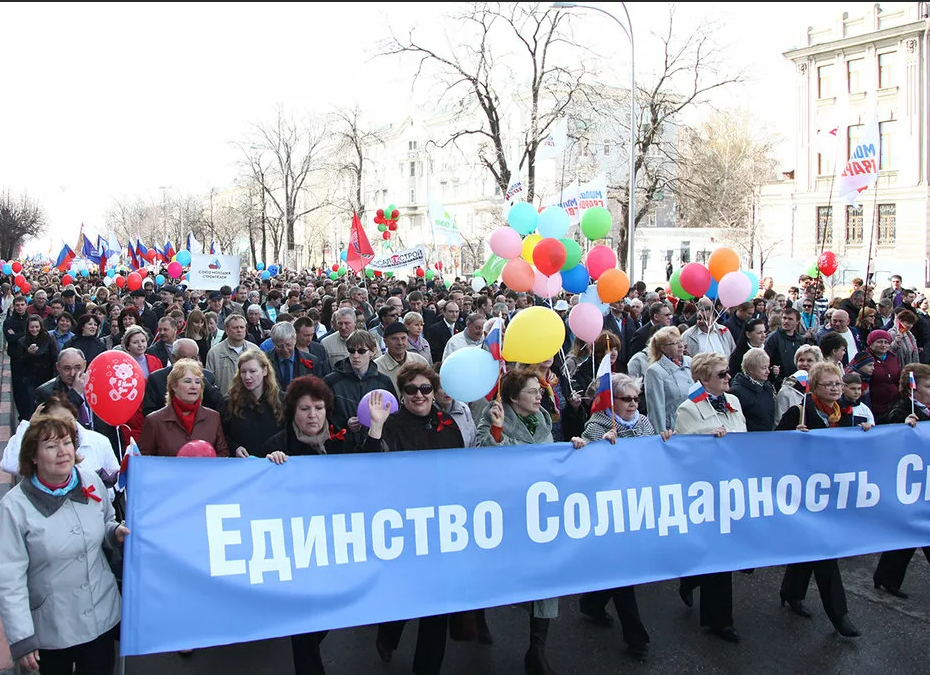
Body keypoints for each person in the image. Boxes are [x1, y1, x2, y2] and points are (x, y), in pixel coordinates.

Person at [476, 366, 585, 675]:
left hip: (537, 511)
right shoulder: (493, 414)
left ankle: (536, 650)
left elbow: (547, 458)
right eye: (533, 391)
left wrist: (570, 449)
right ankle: (478, 613)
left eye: (540, 390)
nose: (541, 395)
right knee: (490, 571)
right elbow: (485, 454)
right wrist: (498, 433)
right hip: (502, 510)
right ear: (513, 396)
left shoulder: (539, 418)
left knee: (546, 576)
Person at [0, 414, 129, 674]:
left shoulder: (91, 481)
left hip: (100, 617)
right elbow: (9, 577)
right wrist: (21, 637)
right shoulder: (15, 507)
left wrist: (114, 532)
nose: (63, 452)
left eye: (67, 443)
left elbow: (105, 521)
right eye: (51, 446)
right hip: (51, 628)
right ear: (33, 457)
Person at [364, 364, 466, 674]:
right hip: (404, 525)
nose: (419, 394)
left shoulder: (448, 423)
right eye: (411, 389)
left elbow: (462, 471)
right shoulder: (391, 424)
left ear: (434, 391)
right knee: (405, 597)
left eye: (425, 388)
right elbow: (370, 469)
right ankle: (389, 633)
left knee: (437, 607)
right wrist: (376, 426)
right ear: (402, 393)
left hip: (441, 525)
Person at [775, 361, 869, 638]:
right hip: (805, 493)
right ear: (815, 387)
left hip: (833, 494)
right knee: (825, 551)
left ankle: (790, 592)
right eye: (829, 384)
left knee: (811, 548)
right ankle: (839, 615)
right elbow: (773, 447)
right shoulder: (799, 412)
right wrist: (794, 437)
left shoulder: (850, 414)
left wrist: (866, 434)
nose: (836, 389)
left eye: (838, 383)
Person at [578, 373, 667, 662]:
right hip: (609, 508)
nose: (633, 404)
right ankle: (636, 637)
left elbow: (654, 457)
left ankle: (592, 602)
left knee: (620, 569)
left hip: (637, 505)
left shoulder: (643, 422)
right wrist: (599, 448)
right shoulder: (596, 426)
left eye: (636, 398)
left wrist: (664, 442)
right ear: (611, 400)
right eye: (626, 399)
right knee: (623, 570)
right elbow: (586, 469)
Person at [673, 352, 747, 643]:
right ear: (704, 379)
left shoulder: (735, 402)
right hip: (706, 490)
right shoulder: (688, 409)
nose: (728, 377)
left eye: (728, 372)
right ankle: (719, 621)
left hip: (732, 485)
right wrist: (708, 435)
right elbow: (686, 451)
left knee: (724, 553)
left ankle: (691, 578)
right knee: (719, 554)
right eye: (721, 374)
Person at [872, 363, 930, 598]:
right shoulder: (903, 409)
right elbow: (888, 434)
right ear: (912, 389)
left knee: (911, 533)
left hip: (925, 480)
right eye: (927, 386)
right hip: (909, 482)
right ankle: (886, 578)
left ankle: (886, 577)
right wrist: (906, 426)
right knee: (918, 530)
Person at [139, 358, 229, 457]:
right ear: (174, 386)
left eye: (198, 382)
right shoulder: (154, 420)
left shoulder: (213, 418)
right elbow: (144, 459)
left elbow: (223, 455)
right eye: (187, 381)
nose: (194, 386)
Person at [323, 330, 396, 446]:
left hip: (376, 444)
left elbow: (394, 415)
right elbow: (323, 414)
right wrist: (344, 423)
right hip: (342, 446)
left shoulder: (384, 382)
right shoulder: (331, 381)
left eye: (361, 351)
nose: (355, 356)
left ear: (372, 352)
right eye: (351, 351)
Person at [644, 326, 692, 433]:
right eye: (675, 343)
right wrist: (661, 435)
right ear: (663, 348)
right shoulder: (655, 371)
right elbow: (656, 408)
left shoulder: (690, 362)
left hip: (694, 427)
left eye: (681, 341)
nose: (681, 345)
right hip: (673, 431)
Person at [206, 313, 260, 395]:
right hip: (224, 401)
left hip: (251, 400)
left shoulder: (255, 350)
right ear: (226, 330)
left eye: (242, 327)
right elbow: (209, 382)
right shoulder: (214, 353)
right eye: (235, 327)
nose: (239, 330)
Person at [18, 314, 58, 419]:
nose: (34, 329)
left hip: (46, 377)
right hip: (30, 379)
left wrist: (54, 377)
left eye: (37, 327)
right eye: (32, 327)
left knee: (48, 407)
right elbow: (19, 363)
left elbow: (55, 357)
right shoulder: (22, 341)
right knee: (31, 406)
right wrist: (28, 354)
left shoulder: (49, 339)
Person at [728, 348, 777, 432]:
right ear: (751, 369)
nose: (768, 371)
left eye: (768, 367)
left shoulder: (767, 386)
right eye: (763, 368)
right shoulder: (736, 391)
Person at [375, 321, 430, 390]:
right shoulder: (376, 367)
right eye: (394, 339)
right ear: (385, 342)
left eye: (403, 338)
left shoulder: (420, 361)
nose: (400, 343)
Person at [865, 329, 901, 418]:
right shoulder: (864, 358)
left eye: (886, 342)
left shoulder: (893, 358)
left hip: (894, 406)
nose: (883, 345)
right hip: (875, 408)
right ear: (871, 343)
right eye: (880, 342)